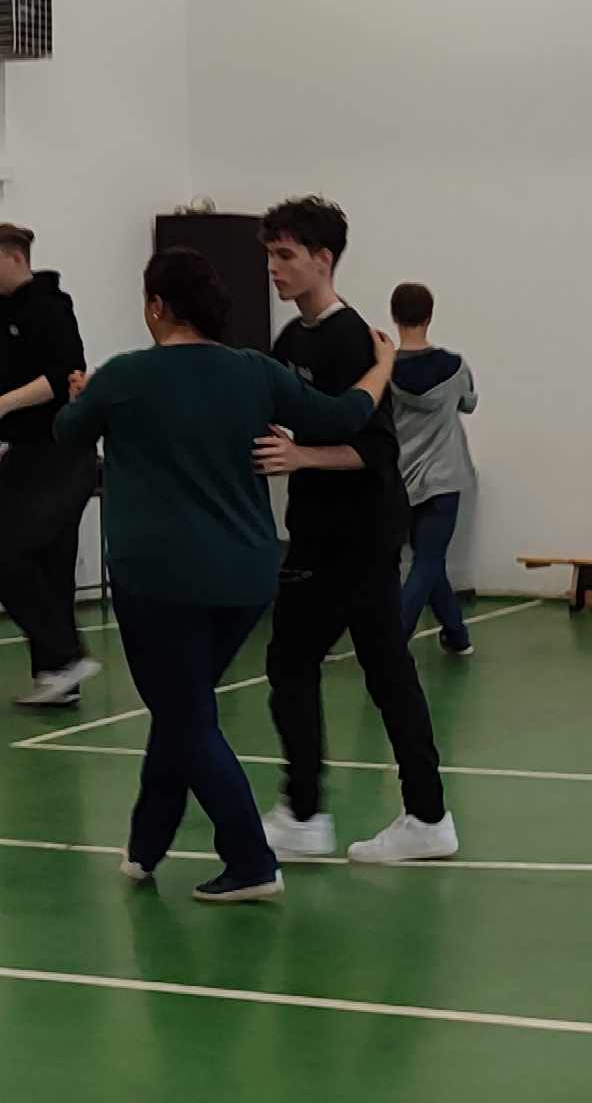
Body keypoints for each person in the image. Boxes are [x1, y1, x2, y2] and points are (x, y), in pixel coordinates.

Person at [54, 248, 396, 901]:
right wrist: (381, 367)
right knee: (183, 706)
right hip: (245, 578)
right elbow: (343, 416)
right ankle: (146, 844)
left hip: (157, 580)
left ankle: (250, 862)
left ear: (157, 306)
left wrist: (81, 395)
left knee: (184, 715)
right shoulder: (254, 372)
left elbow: (68, 433)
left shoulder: (124, 377)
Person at [255, 197, 459, 865]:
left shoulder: (353, 341)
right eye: (269, 255)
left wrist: (301, 456)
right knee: (377, 667)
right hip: (317, 526)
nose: (274, 268)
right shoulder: (291, 341)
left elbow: (375, 450)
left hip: (359, 530)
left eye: (285, 255)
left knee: (300, 661)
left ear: (323, 259)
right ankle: (422, 814)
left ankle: (309, 811)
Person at [0, 222, 99, 708]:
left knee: (12, 550)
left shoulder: (50, 307)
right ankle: (56, 675)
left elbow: (64, 375)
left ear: (15, 257)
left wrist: (3, 403)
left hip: (62, 453)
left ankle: (63, 655)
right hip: (23, 453)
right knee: (47, 561)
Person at [389, 282, 478, 653]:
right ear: (429, 316)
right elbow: (469, 403)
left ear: (394, 317)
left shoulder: (382, 370)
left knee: (428, 560)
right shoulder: (455, 366)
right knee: (428, 560)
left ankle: (457, 636)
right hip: (444, 479)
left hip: (400, 479)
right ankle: (393, 640)